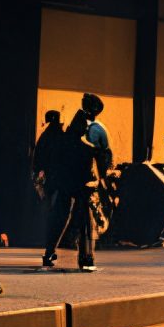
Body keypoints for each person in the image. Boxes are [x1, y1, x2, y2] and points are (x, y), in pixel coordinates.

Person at [42, 95, 112, 270]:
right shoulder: (94, 130)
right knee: (85, 220)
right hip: (82, 181)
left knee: (59, 216)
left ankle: (49, 252)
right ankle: (86, 258)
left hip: (66, 180)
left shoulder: (69, 129)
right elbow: (102, 157)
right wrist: (103, 180)